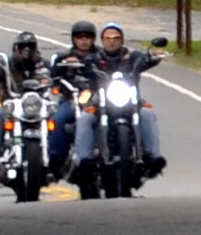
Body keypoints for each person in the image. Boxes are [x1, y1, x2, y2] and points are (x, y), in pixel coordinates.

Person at [73, 22, 167, 180]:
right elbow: (83, 67)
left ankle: (152, 156)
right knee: (85, 118)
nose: (112, 41)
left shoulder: (133, 57)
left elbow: (146, 59)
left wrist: (155, 56)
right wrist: (76, 64)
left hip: (129, 99)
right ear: (102, 40)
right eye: (108, 38)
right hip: (101, 100)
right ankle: (83, 160)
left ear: (122, 40)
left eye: (116, 38)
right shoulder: (94, 58)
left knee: (147, 114)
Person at [46, 21, 100, 177]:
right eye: (79, 37)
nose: (84, 40)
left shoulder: (100, 56)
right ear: (73, 39)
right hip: (72, 98)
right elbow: (53, 77)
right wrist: (63, 67)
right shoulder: (63, 57)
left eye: (88, 37)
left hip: (97, 98)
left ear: (93, 39)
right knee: (58, 119)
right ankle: (55, 158)